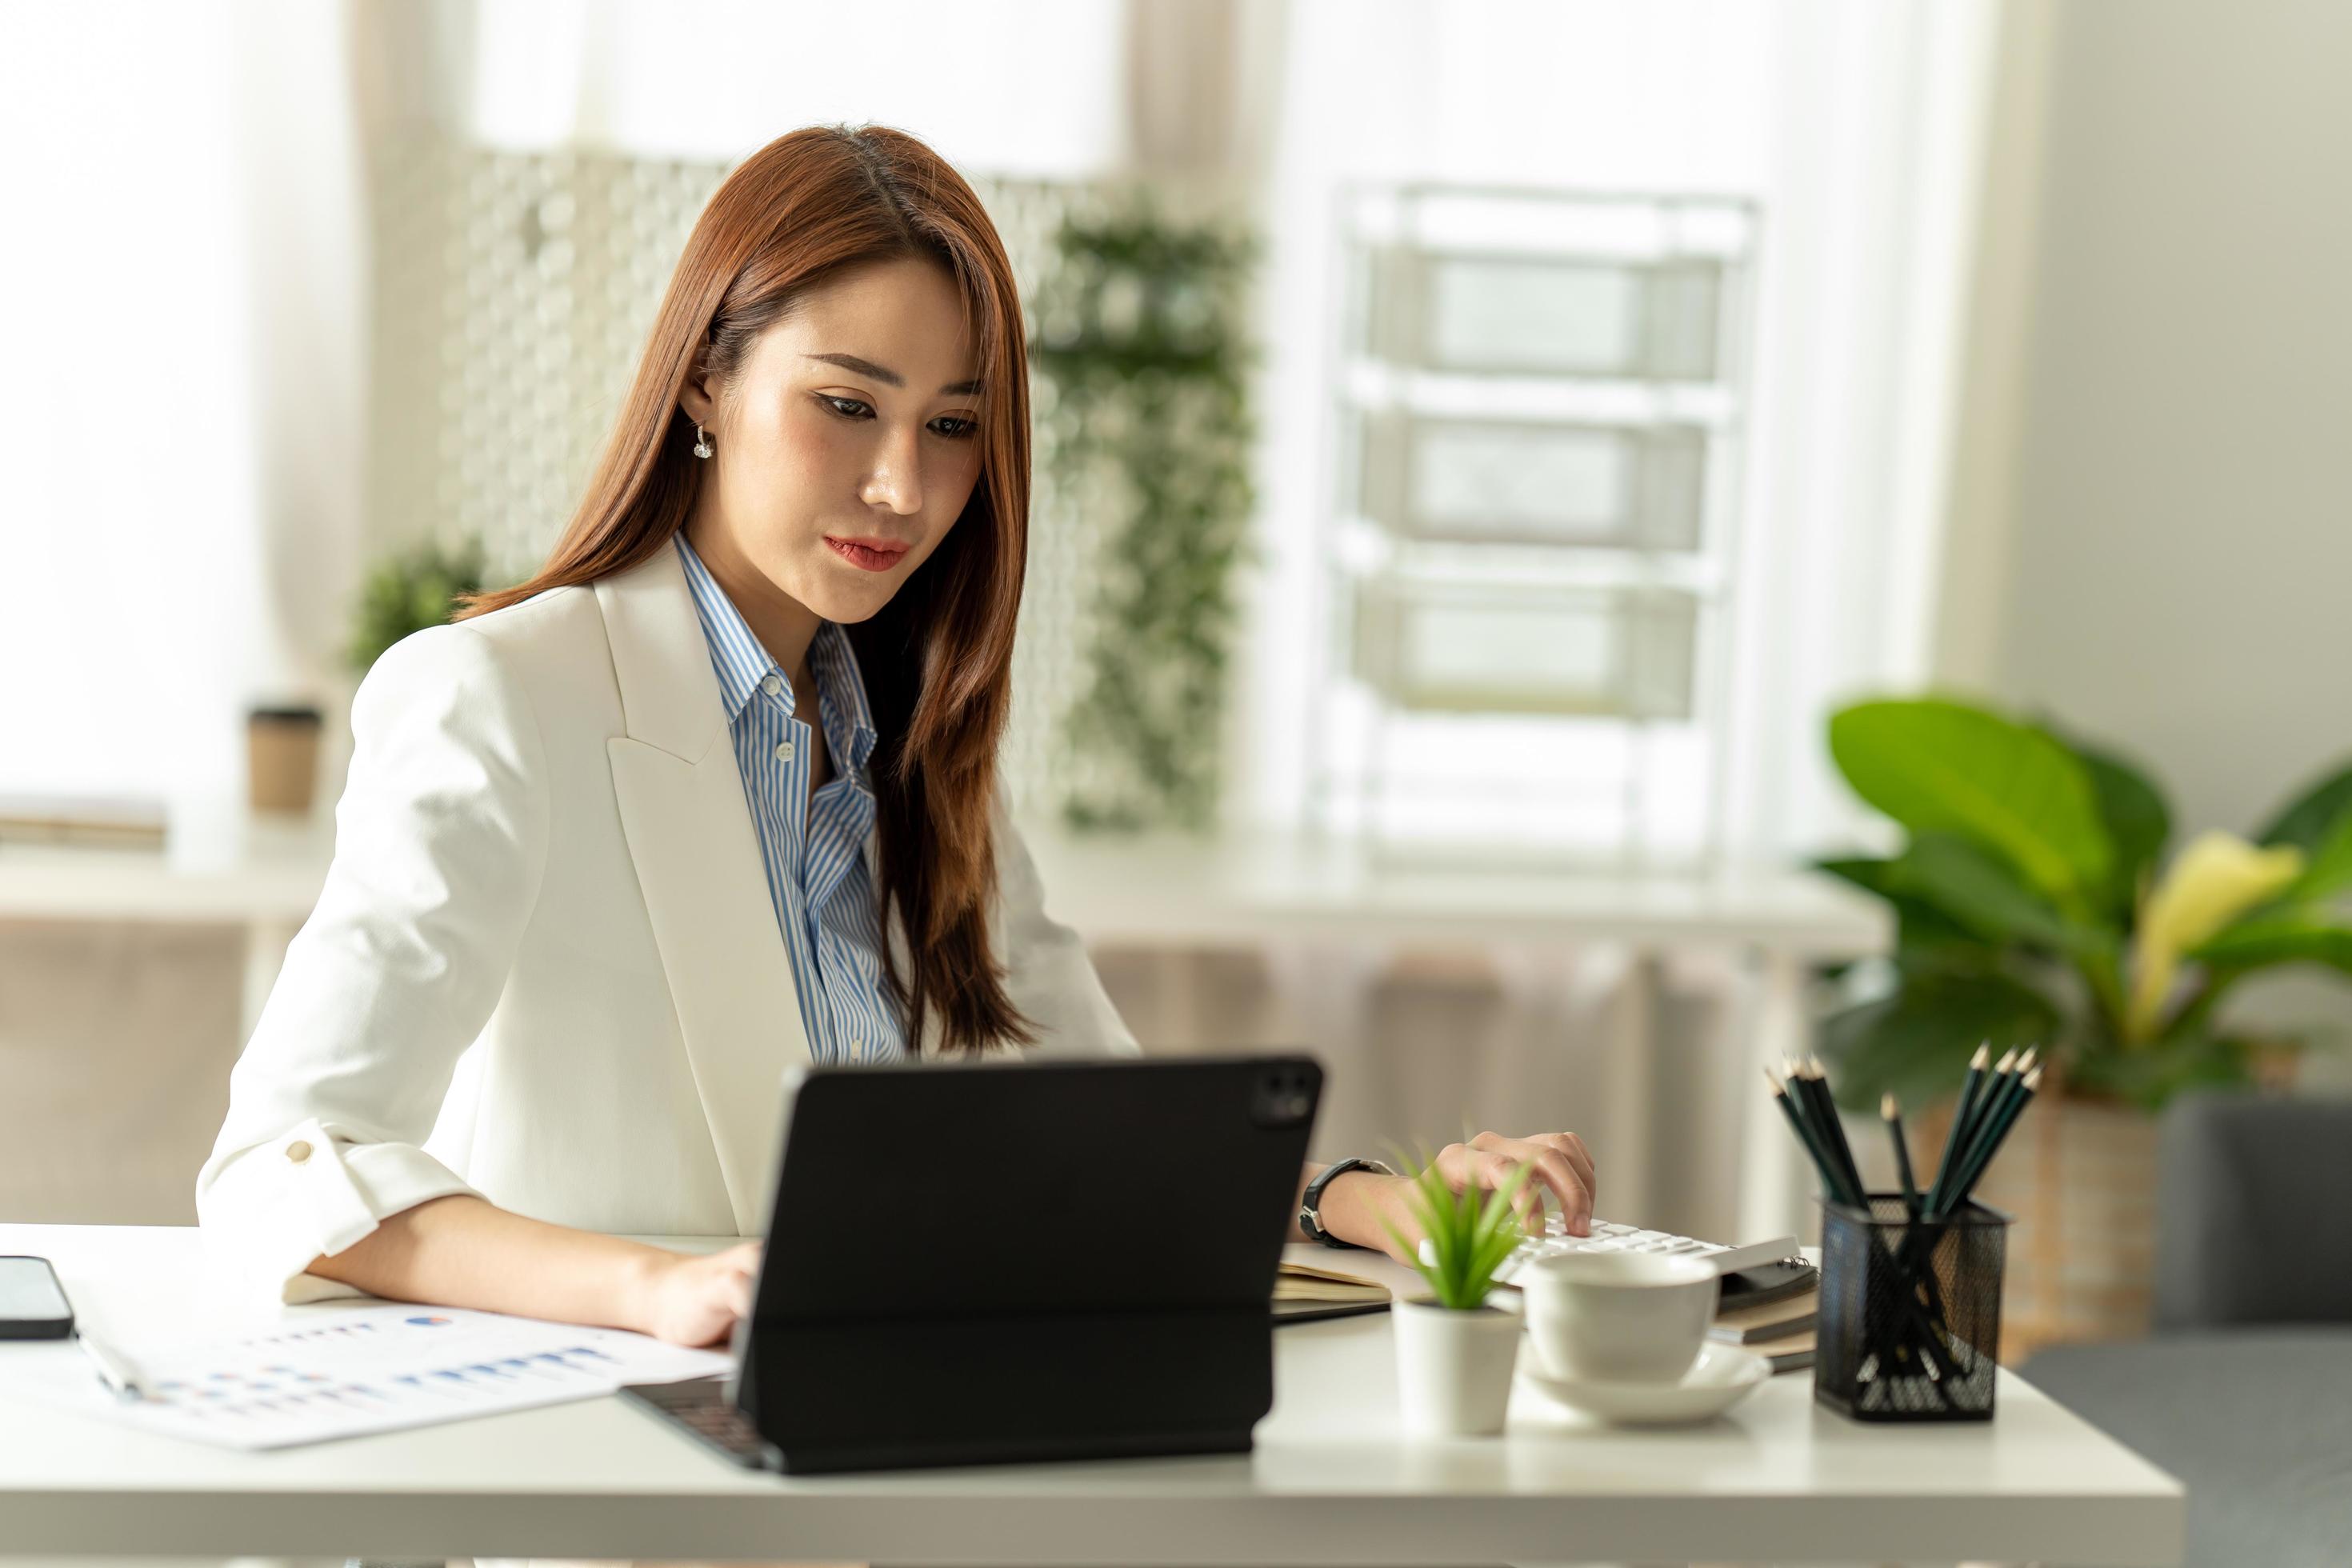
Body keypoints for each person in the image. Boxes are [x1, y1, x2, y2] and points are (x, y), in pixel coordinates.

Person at [195, 123, 1595, 1364]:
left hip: (906, 1463)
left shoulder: (917, 742)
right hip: (623, 1482)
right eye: (848, 405)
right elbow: (288, 1165)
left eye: (954, 426)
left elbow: (1101, 1136)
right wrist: (655, 1289)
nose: (901, 486)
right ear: (703, 383)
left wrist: (1381, 1197)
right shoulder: (496, 695)